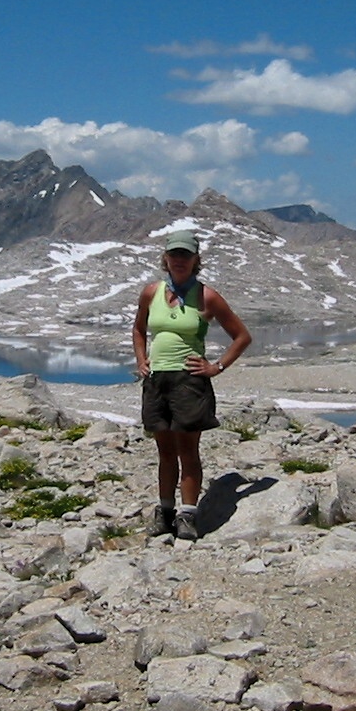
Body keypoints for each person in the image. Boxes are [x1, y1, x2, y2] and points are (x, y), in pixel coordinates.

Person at [132, 229, 252, 540]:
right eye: (174, 254)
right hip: (157, 380)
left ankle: (188, 515)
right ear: (166, 258)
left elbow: (242, 336)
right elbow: (139, 329)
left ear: (196, 259)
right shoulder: (151, 292)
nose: (179, 260)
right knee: (164, 451)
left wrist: (216, 367)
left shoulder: (207, 296)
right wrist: (142, 360)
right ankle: (165, 511)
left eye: (186, 255)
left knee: (188, 450)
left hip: (189, 382)